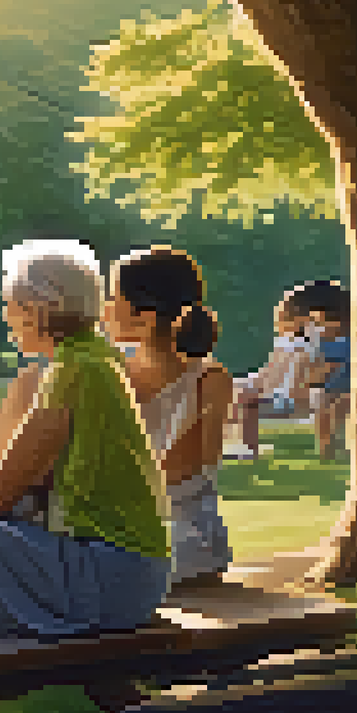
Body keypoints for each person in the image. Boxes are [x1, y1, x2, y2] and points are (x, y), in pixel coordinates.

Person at [0, 239, 172, 643]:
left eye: (11, 305)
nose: (7, 316)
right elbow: (30, 479)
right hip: (131, 573)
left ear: (37, 308)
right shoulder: (97, 361)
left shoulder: (74, 370)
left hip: (111, 575)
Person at [104, 245, 235, 588]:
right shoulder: (109, 373)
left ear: (144, 316)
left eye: (112, 299)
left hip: (183, 541)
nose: (103, 310)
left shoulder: (208, 379)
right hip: (123, 532)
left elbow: (197, 471)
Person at [229, 287, 317, 459]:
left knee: (243, 398)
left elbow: (274, 377)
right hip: (281, 395)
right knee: (233, 391)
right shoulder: (294, 343)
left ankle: (247, 448)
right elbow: (268, 373)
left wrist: (253, 387)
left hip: (285, 400)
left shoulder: (299, 345)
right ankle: (234, 443)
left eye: (284, 316)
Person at [295, 281, 352, 459]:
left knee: (336, 408)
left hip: (349, 387)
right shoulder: (325, 342)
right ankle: (326, 448)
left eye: (320, 322)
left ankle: (334, 445)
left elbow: (330, 366)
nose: (317, 328)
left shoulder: (347, 341)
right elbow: (321, 366)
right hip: (331, 388)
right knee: (324, 406)